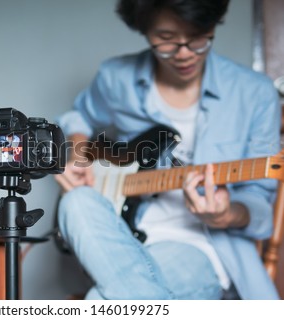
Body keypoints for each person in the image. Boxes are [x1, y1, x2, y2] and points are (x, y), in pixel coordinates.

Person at [55, 0, 281, 299]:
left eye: (198, 36)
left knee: (99, 302)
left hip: (206, 248)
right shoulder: (116, 77)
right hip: (126, 237)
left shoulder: (255, 93)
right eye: (166, 39)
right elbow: (78, 116)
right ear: (144, 29)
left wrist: (226, 215)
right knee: (75, 201)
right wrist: (79, 154)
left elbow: (260, 206)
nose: (185, 52)